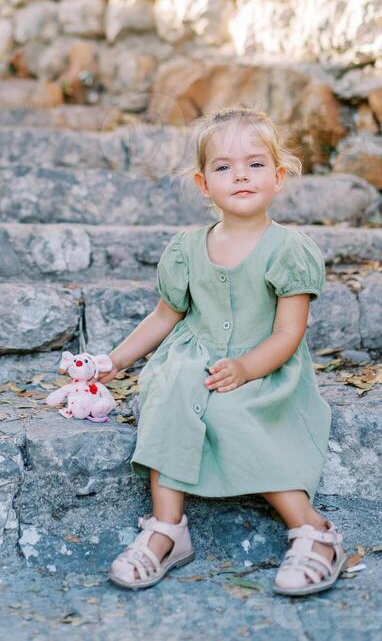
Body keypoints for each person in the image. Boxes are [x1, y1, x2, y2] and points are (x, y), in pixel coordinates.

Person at [98, 105, 348, 596]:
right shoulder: (187, 248)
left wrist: (246, 367)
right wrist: (116, 360)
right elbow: (165, 316)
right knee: (171, 393)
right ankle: (167, 530)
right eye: (223, 166)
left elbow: (288, 333)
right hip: (194, 359)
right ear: (202, 183)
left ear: (277, 178)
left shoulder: (288, 249)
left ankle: (315, 532)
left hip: (263, 366)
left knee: (230, 413)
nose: (240, 175)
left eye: (255, 164)